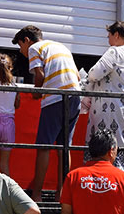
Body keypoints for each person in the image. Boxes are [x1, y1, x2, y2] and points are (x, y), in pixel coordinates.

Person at [12, 25, 81, 200]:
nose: (21, 52)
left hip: (55, 100)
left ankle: (36, 195)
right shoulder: (61, 47)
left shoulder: (35, 48)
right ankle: (62, 193)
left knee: (43, 147)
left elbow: (40, 76)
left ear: (27, 40)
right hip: (74, 99)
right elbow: (78, 78)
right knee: (64, 148)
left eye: (21, 46)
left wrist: (37, 93)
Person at [82, 21, 124, 187]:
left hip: (114, 112)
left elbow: (94, 73)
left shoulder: (115, 52)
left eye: (109, 36)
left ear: (116, 34)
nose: (108, 40)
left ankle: (106, 190)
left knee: (108, 149)